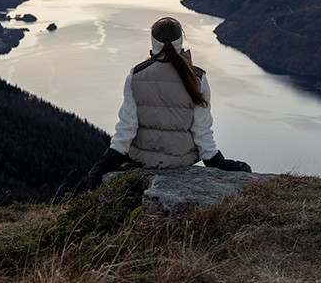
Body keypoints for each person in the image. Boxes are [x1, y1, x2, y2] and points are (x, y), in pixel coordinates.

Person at [88, 16, 250, 185]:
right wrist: (217, 162)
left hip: (144, 158)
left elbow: (127, 126)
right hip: (181, 160)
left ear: (153, 42)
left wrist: (105, 163)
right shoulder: (197, 78)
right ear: (181, 41)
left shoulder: (135, 75)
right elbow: (201, 129)